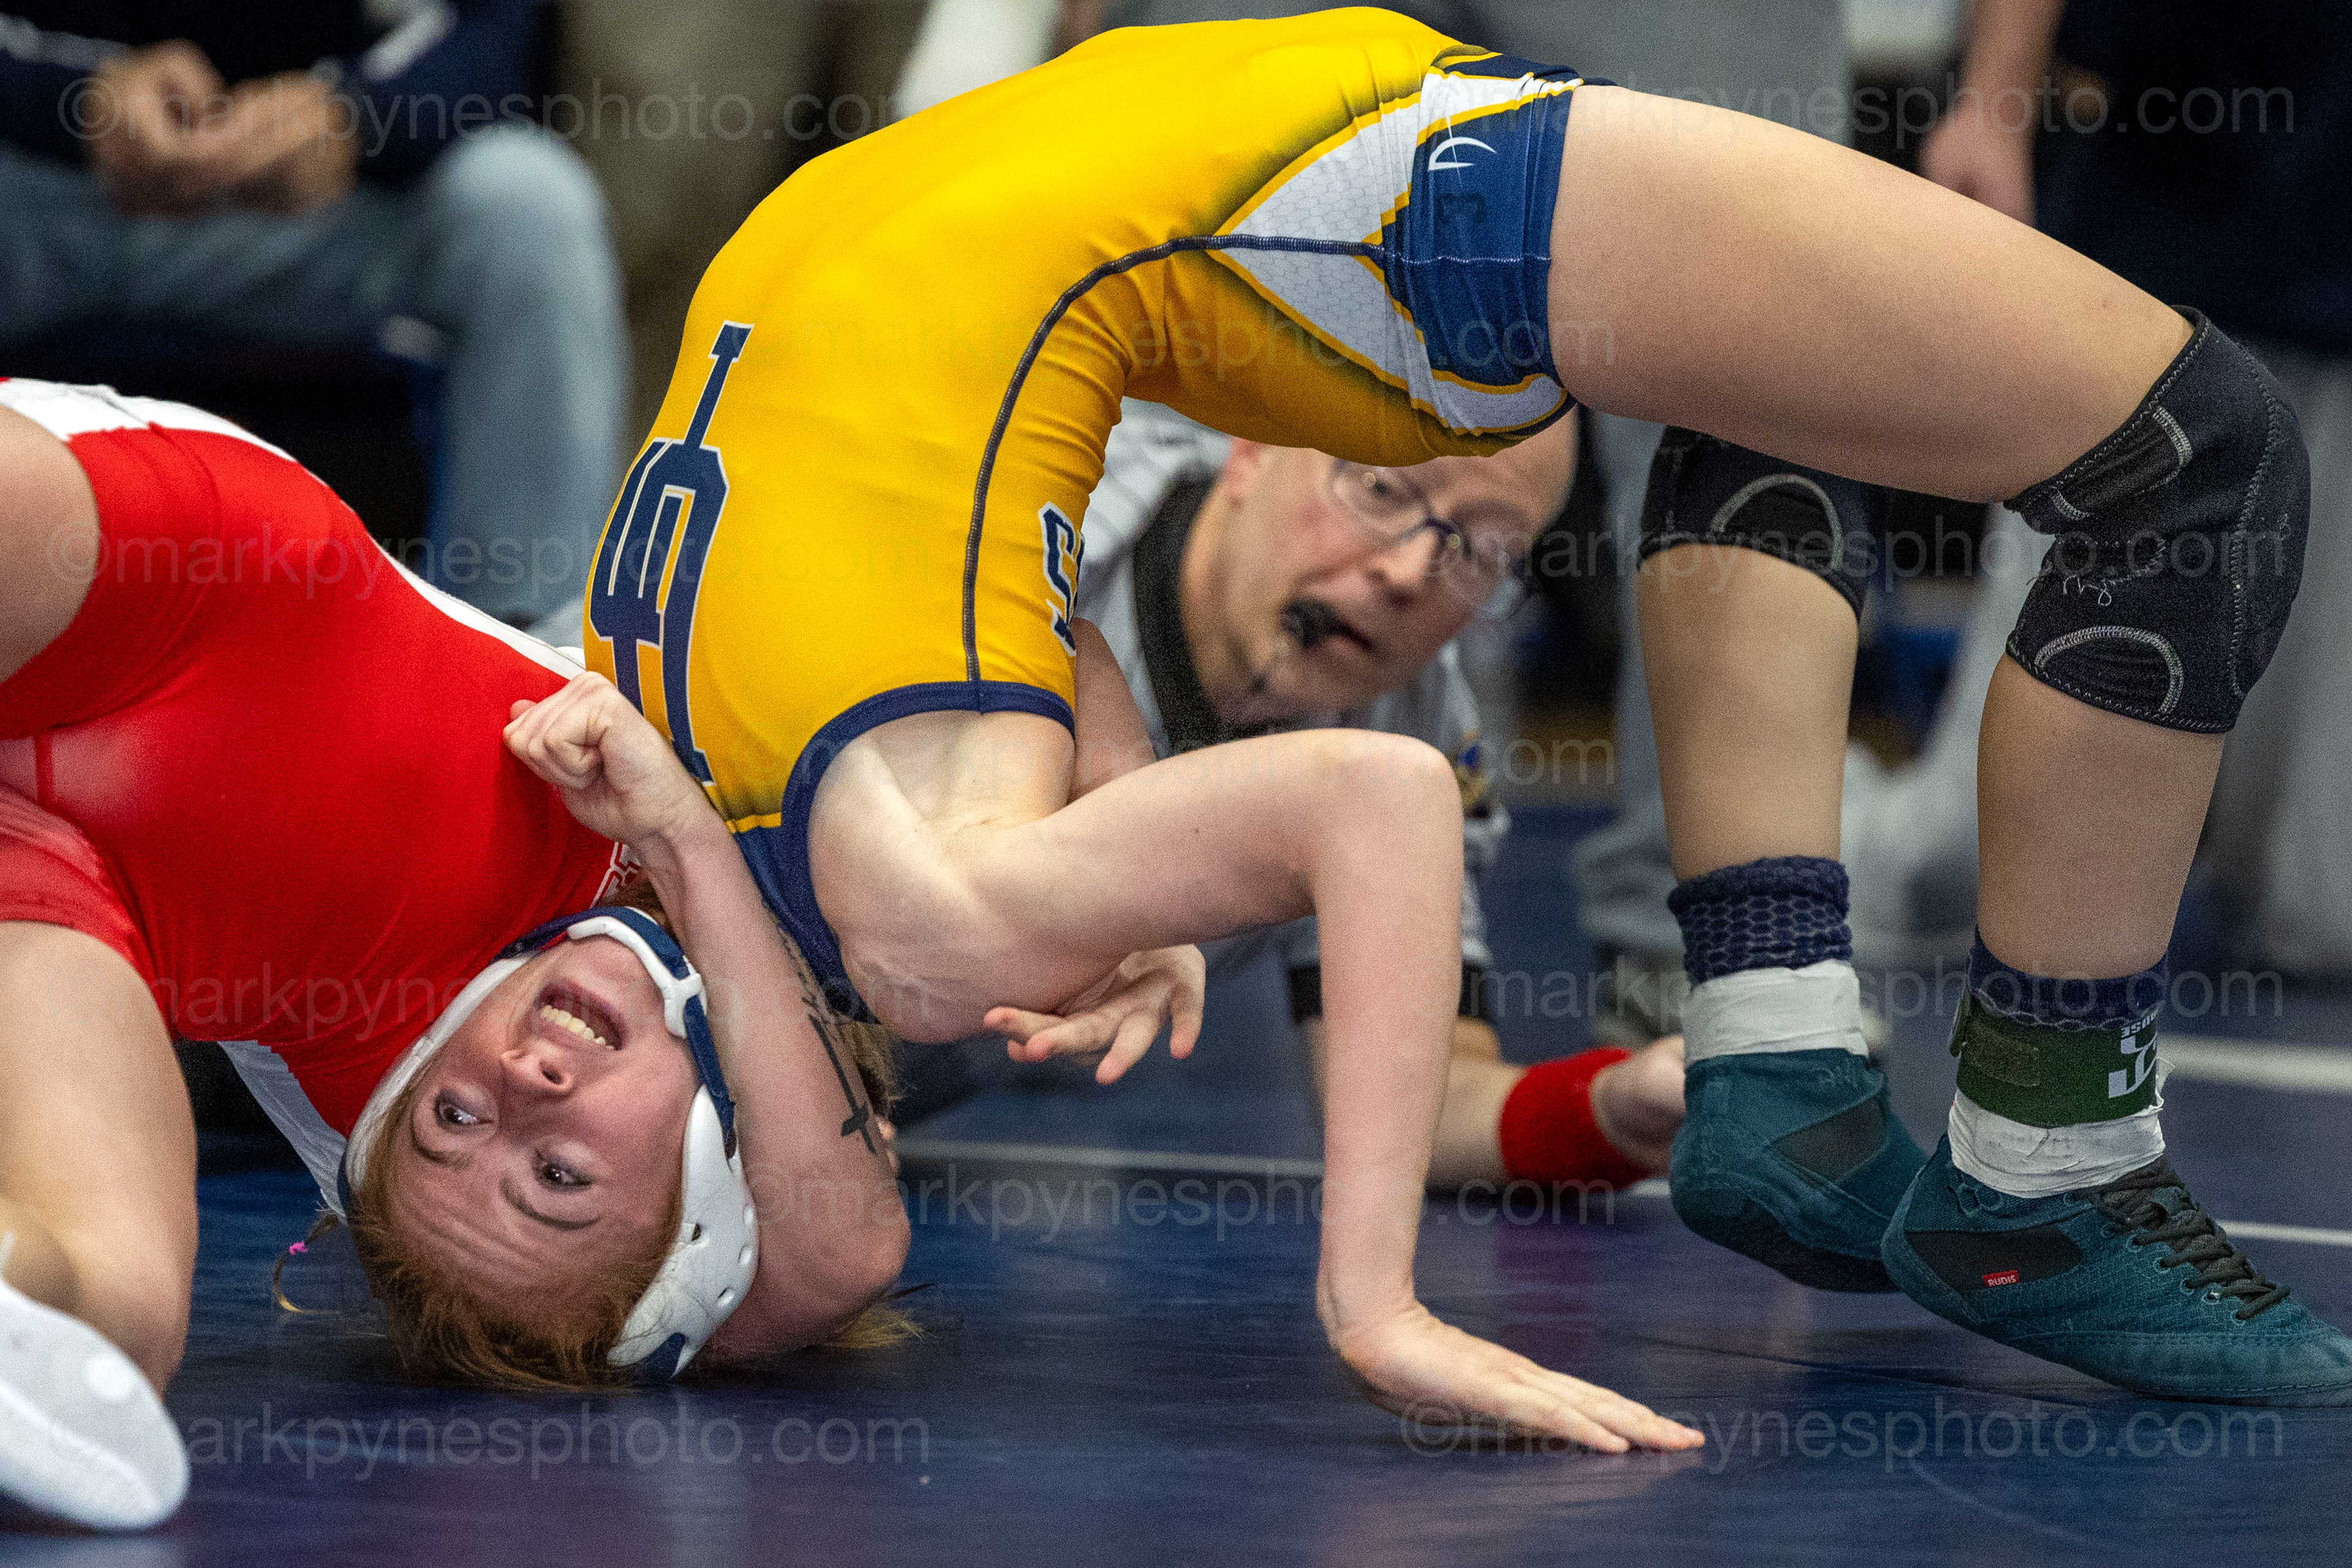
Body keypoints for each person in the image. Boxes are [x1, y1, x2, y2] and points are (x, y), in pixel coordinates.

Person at [585, 6, 2348, 1423]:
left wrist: (1120, 868)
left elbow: (837, 1237)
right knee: (2120, 440)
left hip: (1334, 189)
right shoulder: (676, 742)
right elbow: (1263, 774)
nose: (1421, 579)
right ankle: (1972, 1138)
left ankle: (1911, 1111)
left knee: (2195, 460)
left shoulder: (918, 916)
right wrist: (1379, 1301)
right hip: (1194, 170)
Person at [0, 378, 906, 1529]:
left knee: (119, 1322)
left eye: (456, 1127)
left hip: (49, 876)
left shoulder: (375, 1108)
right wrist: (684, 835)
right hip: (163, 584)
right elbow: (845, 1251)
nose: (518, 1093)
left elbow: (833, 1259)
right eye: (562, 1177)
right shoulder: (778, 853)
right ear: (719, 1195)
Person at [998, 399, 1683, 1188]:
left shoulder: (1411, 738)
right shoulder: (1034, 520)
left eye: (1482, 552)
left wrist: (1608, 1109)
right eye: (1383, 492)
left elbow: (1427, 1096)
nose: (1407, 573)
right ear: (1250, 449)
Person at [1922, 0, 2352, 973]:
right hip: (2155, 234)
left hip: (2325, 257)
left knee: (2328, 918)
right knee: (1965, 865)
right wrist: (1992, 105)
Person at [0, 1, 626, 630]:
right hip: (43, 194)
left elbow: (498, 38)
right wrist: (74, 94)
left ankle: (529, 665)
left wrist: (357, 116)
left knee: (531, 204)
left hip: (330, 212)